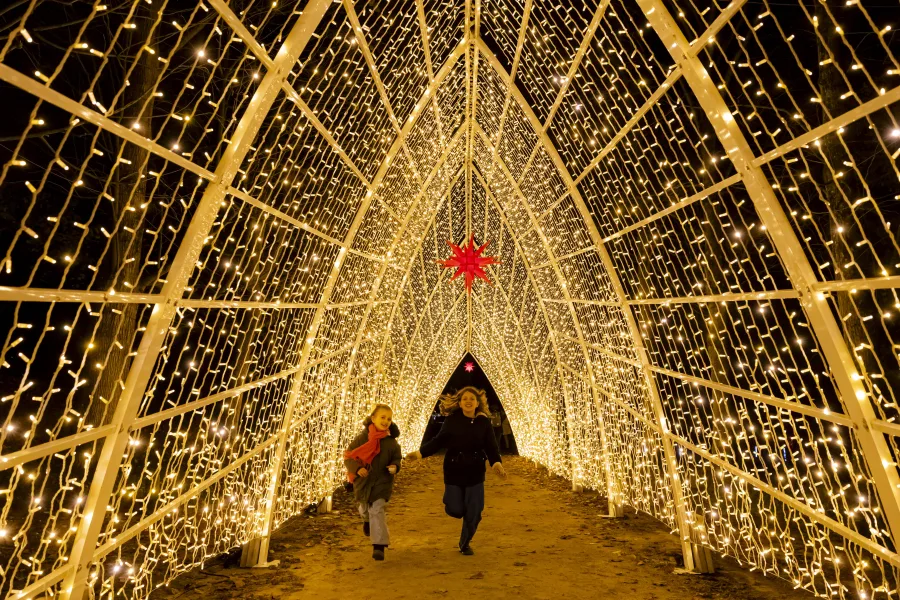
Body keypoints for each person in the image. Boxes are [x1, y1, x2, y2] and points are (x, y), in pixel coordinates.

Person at [405, 387, 506, 555]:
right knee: (455, 509)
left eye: (472, 399)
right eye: (465, 398)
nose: (468, 401)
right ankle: (458, 507)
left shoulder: (484, 422)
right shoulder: (452, 421)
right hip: (454, 469)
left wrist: (496, 463)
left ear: (477, 403)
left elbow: (491, 446)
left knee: (474, 511)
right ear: (459, 403)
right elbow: (438, 441)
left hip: (475, 471)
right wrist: (420, 453)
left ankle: (465, 543)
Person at [344, 404, 402, 561]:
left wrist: (395, 466)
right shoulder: (362, 439)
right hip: (363, 481)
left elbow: (397, 457)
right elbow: (348, 457)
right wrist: (357, 469)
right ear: (373, 418)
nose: (386, 421)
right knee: (364, 508)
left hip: (382, 481)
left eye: (389, 419)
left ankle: (379, 546)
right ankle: (366, 520)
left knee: (377, 509)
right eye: (382, 417)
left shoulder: (391, 442)